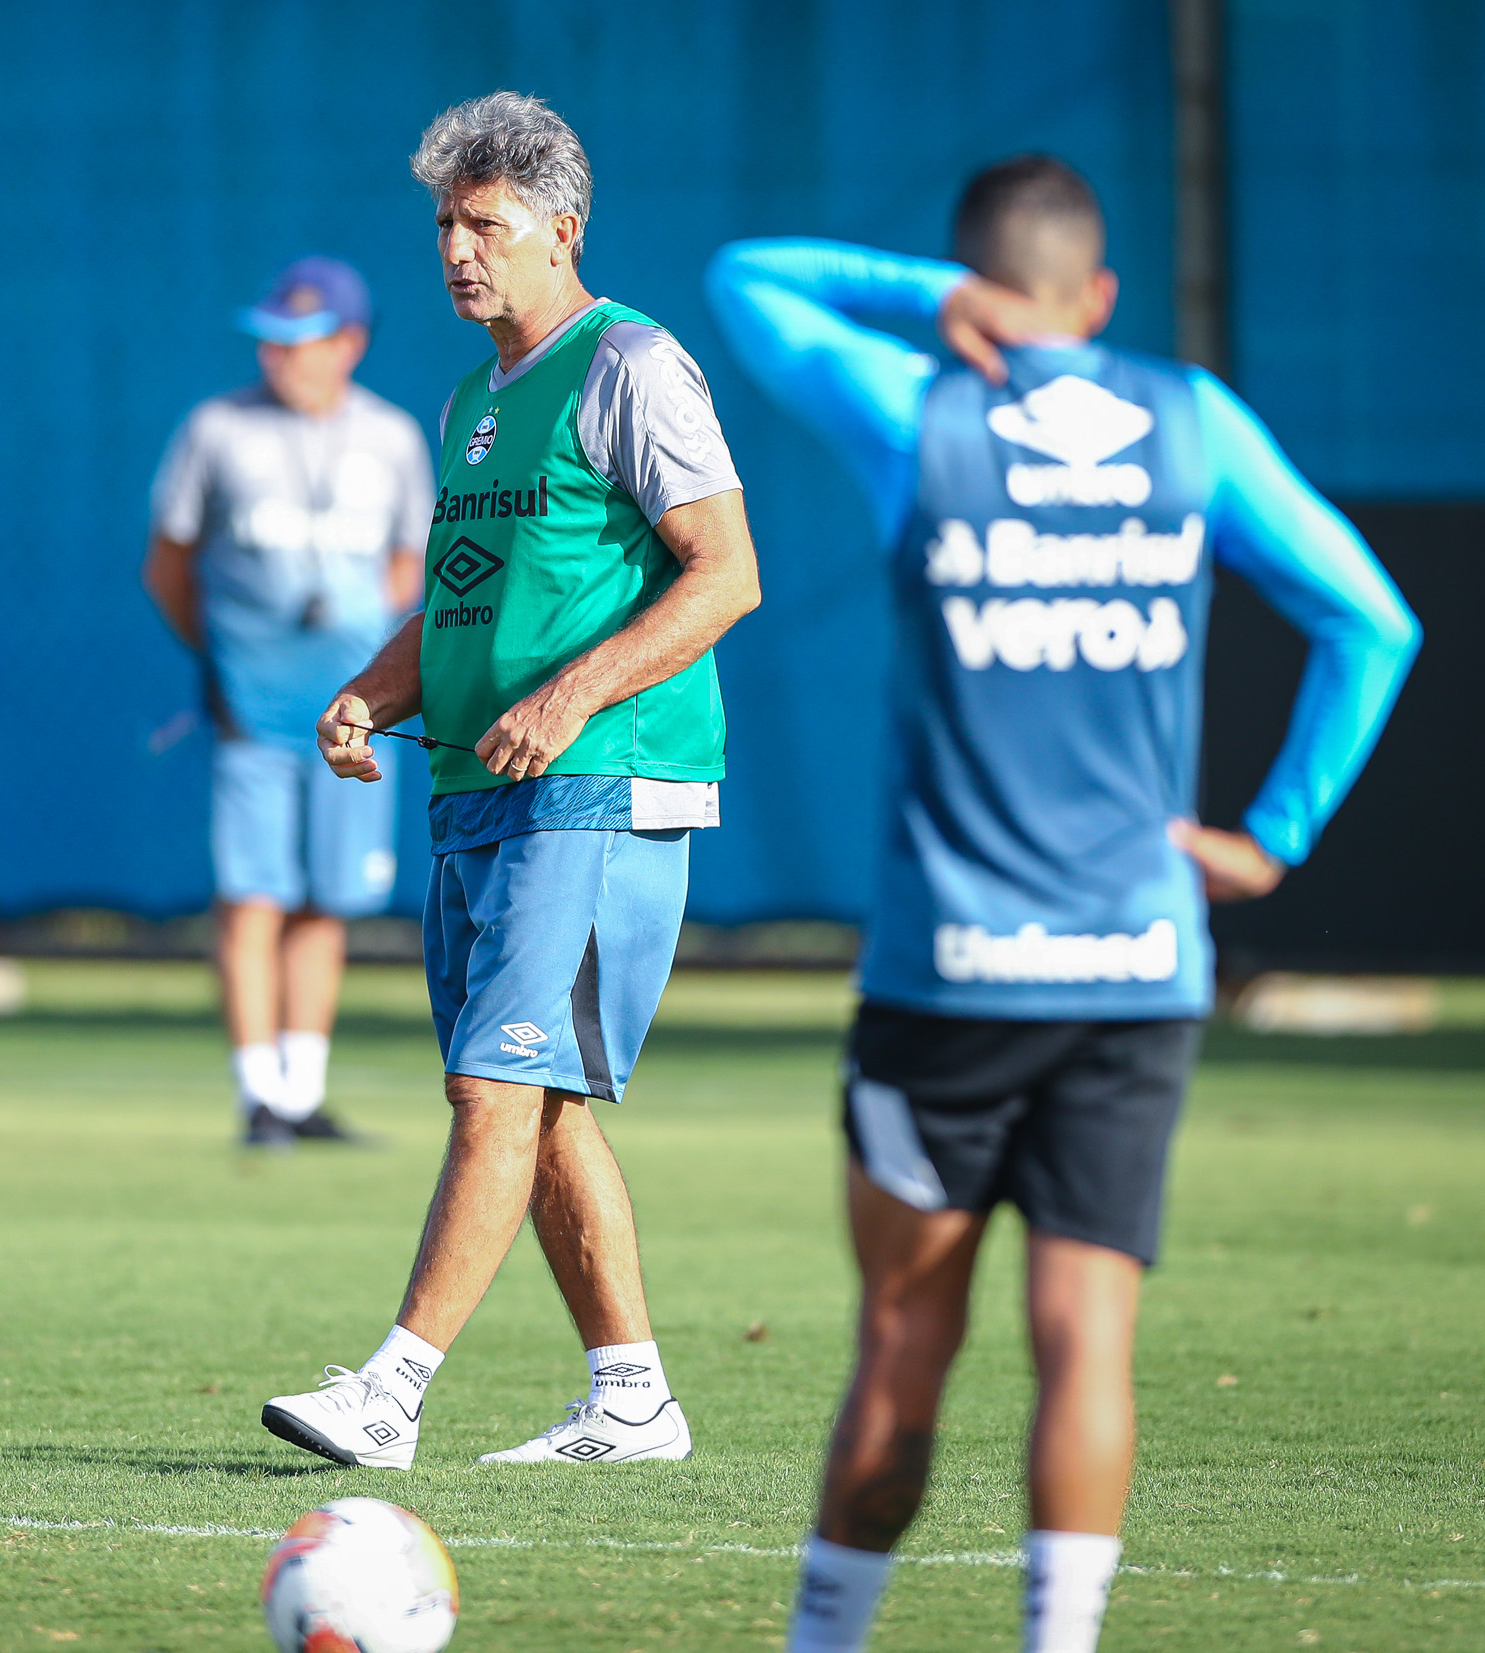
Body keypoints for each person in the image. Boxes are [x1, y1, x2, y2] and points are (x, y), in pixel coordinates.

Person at [704, 157, 1420, 1653]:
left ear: (976, 281)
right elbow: (1373, 619)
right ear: (1101, 294)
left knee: (906, 1341)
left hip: (948, 977)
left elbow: (746, 279)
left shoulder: (922, 413)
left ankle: (826, 1641)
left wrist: (923, 302)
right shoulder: (1195, 424)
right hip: (1139, 965)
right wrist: (1272, 836)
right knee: (1087, 1340)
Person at [260, 92, 761, 1469]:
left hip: (600, 780)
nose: (459, 249)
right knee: (526, 1111)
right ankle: (633, 1397)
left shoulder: (630, 365)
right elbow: (460, 602)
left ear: (562, 230)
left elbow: (728, 572)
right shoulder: (475, 397)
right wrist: (370, 690)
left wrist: (571, 692)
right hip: (475, 788)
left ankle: (392, 1392)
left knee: (497, 1088)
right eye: (444, 223)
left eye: (487, 223)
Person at [144, 257, 435, 1146]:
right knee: (252, 892)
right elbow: (169, 566)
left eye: (301, 340)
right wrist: (231, 663)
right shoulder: (216, 429)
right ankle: (256, 1094)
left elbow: (405, 568)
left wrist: (372, 674)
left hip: (354, 711)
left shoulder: (391, 437)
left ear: (350, 344)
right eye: (270, 338)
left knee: (328, 897)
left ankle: (302, 1095)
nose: (280, 355)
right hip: (253, 710)